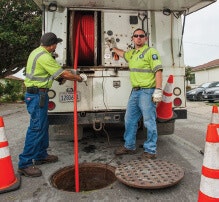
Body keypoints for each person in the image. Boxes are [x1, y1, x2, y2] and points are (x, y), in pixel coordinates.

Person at [18, 32, 87, 177]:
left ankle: (41, 155)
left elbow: (49, 73)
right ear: (52, 45)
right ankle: (25, 164)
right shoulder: (44, 57)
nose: (56, 46)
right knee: (36, 128)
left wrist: (57, 78)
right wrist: (79, 78)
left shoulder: (38, 52)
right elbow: (64, 74)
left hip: (39, 94)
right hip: (37, 95)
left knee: (42, 126)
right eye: (56, 44)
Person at [108, 28, 163, 159]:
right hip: (135, 92)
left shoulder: (151, 52)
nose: (138, 38)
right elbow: (122, 53)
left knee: (149, 122)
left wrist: (158, 90)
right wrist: (112, 47)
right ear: (132, 38)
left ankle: (150, 150)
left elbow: (158, 71)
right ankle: (129, 146)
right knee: (129, 119)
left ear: (145, 38)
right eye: (136, 36)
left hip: (147, 92)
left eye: (141, 36)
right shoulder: (132, 54)